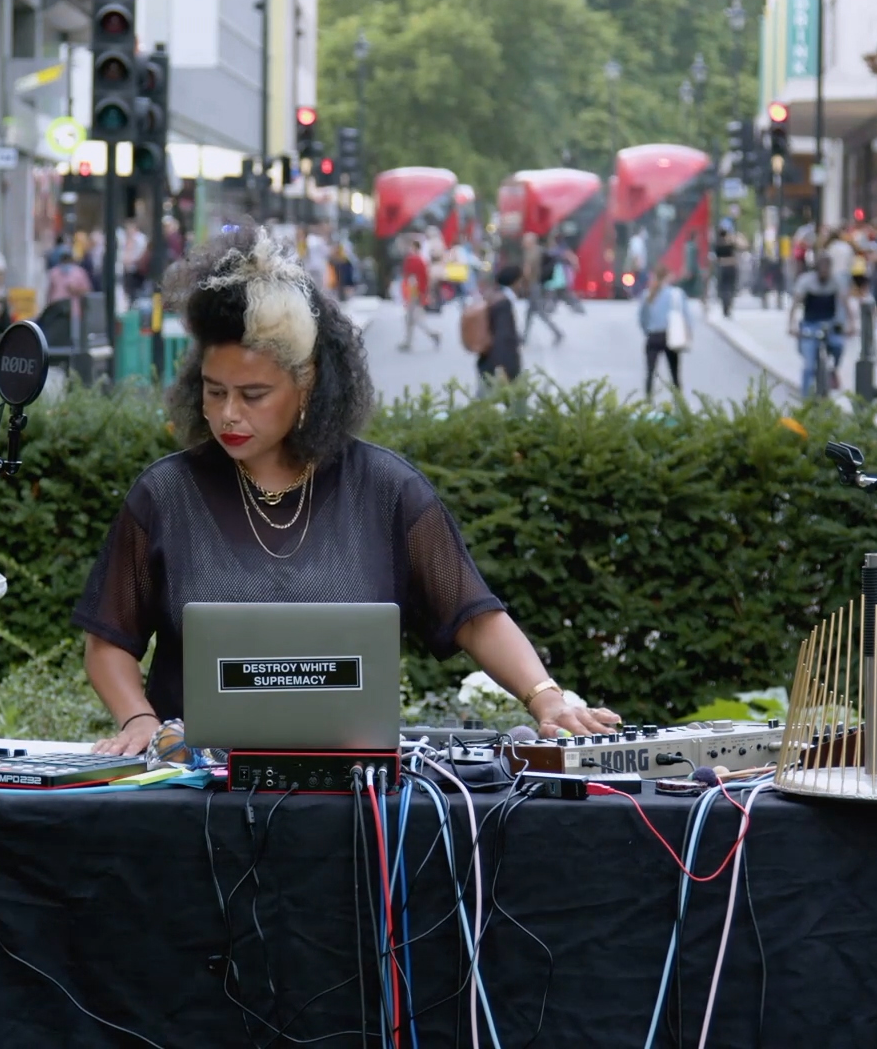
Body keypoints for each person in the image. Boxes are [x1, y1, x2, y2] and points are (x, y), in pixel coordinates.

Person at [75, 226, 620, 755]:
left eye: (254, 394)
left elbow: (475, 617)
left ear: (307, 382)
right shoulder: (166, 494)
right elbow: (108, 639)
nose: (228, 414)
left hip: (355, 793)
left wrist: (545, 697)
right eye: (214, 392)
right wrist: (140, 720)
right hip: (195, 787)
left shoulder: (387, 490)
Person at [788, 253, 848, 397]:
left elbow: (844, 303)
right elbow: (795, 304)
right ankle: (805, 398)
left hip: (830, 323)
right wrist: (792, 325)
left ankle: (833, 369)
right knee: (809, 364)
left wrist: (849, 324)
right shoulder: (806, 282)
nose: (825, 272)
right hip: (810, 323)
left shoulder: (836, 281)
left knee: (838, 345)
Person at [638, 265, 687, 398]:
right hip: (670, 336)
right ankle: (679, 404)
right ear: (668, 277)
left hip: (653, 336)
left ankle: (647, 402)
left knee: (650, 372)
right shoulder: (677, 294)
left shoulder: (647, 294)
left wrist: (647, 331)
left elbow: (642, 318)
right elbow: (685, 317)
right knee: (675, 373)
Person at [477, 265, 526, 393]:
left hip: (486, 360)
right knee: (517, 403)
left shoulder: (492, 295)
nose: (521, 285)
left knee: (482, 402)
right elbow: (503, 336)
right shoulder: (503, 303)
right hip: (500, 364)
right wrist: (503, 367)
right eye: (521, 281)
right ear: (514, 282)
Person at [400, 235, 440, 350]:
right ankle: (410, 341)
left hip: (413, 291)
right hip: (416, 291)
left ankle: (431, 335)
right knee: (411, 317)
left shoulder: (414, 260)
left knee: (412, 317)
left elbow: (409, 276)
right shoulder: (421, 260)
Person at [712, 226, 739, 318]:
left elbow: (716, 259)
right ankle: (728, 307)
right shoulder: (730, 244)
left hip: (723, 268)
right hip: (731, 267)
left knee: (724, 289)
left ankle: (725, 308)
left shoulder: (717, 245)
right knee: (730, 288)